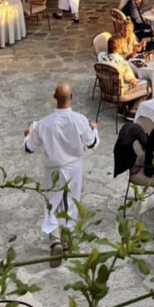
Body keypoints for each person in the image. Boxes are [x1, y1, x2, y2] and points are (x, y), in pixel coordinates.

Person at [24, 83, 98, 266]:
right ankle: (66, 238)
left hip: (54, 169)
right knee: (71, 201)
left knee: (52, 203)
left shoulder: (43, 124)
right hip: (74, 168)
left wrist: (27, 134)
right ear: (71, 96)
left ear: (54, 97)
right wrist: (95, 129)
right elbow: (92, 143)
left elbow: (28, 147)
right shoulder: (80, 120)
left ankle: (55, 239)